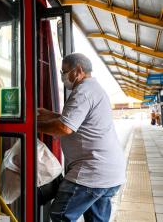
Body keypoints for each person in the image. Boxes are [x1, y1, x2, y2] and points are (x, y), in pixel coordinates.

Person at [37, 53, 126, 222]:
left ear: (78, 70)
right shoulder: (94, 89)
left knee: (60, 215)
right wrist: (50, 115)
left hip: (91, 173)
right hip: (108, 174)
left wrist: (32, 126)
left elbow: (65, 127)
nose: (63, 77)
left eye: (64, 72)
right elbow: (75, 119)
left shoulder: (83, 91)